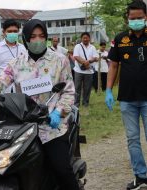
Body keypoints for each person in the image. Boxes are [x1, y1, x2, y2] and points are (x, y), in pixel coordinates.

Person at [0, 19, 79, 190]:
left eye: (41, 36)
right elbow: (0, 82)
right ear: (25, 38)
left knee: (62, 170)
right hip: (22, 125)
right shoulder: (17, 63)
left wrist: (58, 112)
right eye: (33, 36)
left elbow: (68, 91)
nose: (37, 40)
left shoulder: (60, 60)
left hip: (51, 126)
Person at [105, 1, 147, 189]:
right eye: (133, 18)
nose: (136, 21)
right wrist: (108, 90)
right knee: (132, 139)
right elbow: (113, 65)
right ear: (127, 19)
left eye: (140, 18)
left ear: (146, 17)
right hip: (127, 99)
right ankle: (141, 176)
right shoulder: (120, 39)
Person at [73, 32, 99, 107]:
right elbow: (76, 56)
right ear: (81, 39)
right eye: (83, 38)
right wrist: (85, 63)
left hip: (89, 72)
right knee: (77, 88)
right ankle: (76, 104)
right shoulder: (78, 46)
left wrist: (89, 61)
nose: (85, 39)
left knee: (87, 89)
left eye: (86, 37)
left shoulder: (93, 47)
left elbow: (96, 58)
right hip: (78, 71)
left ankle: (85, 104)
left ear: (89, 38)